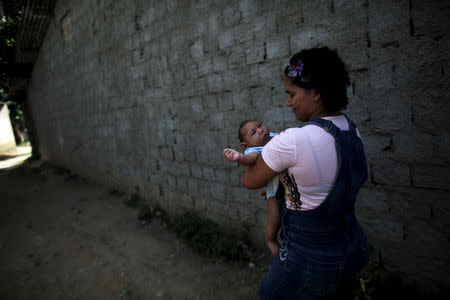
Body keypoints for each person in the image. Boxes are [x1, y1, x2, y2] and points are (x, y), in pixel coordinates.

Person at [242, 47, 370, 299]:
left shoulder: (293, 140)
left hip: (309, 256)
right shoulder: (353, 132)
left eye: (291, 94)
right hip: (351, 246)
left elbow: (250, 180)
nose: (287, 102)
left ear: (316, 94)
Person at [223, 120, 281, 256]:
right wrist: (239, 157)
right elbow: (250, 159)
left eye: (260, 125)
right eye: (253, 132)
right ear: (245, 145)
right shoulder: (254, 150)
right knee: (275, 217)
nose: (260, 130)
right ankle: (271, 239)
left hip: (287, 183)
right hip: (273, 188)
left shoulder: (273, 136)